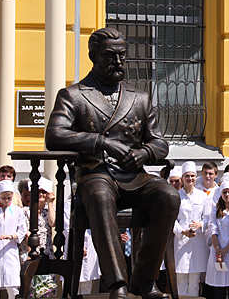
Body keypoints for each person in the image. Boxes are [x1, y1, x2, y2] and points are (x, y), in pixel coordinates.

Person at [45, 27, 180, 299]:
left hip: (134, 176)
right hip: (96, 172)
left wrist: (144, 154)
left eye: (122, 56)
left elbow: (159, 142)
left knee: (168, 195)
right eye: (110, 56)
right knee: (98, 195)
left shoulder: (139, 97)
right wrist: (101, 142)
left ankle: (143, 280)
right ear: (93, 55)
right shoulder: (73, 95)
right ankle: (118, 283)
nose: (118, 62)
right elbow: (54, 134)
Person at [173, 161, 209, 297]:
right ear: (182, 178)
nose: (190, 179)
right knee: (181, 281)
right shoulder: (176, 196)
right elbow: (172, 220)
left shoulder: (202, 196)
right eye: (187, 176)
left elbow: (207, 217)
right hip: (181, 242)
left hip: (197, 242)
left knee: (195, 282)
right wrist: (182, 231)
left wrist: (200, 225)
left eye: (192, 176)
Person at [206, 181, 229, 299]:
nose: (227, 195)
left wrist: (226, 249)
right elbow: (213, 230)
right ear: (221, 193)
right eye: (225, 192)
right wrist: (218, 250)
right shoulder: (215, 211)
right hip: (218, 252)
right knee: (219, 288)